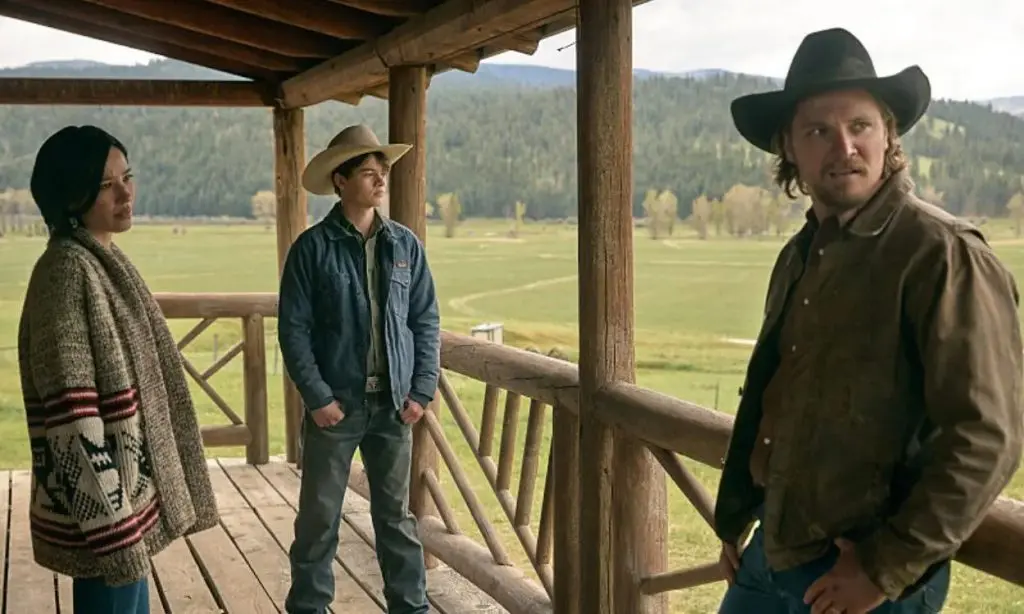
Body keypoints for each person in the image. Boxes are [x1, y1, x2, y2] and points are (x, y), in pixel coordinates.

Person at [714, 28, 1023, 614]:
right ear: (790, 148)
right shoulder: (801, 254)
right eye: (818, 131)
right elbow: (776, 396)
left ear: (888, 135)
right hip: (770, 554)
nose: (843, 147)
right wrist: (737, 513)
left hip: (865, 577)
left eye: (859, 126)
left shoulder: (941, 254)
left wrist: (885, 568)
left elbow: (987, 436)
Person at [17, 125, 220, 614]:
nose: (126, 192)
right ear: (72, 194)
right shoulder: (67, 273)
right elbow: (72, 421)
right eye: (108, 184)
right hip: (106, 525)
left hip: (121, 512)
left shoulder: (100, 259)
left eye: (127, 176)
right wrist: (116, 532)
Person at [279, 124, 440, 614]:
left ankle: (410, 608)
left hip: (393, 407)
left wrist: (422, 389)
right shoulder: (311, 248)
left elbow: (425, 319)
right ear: (340, 182)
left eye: (382, 172)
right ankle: (309, 608)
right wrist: (317, 398)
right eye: (368, 173)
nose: (379, 181)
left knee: (395, 518)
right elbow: (294, 330)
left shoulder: (405, 246)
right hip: (337, 406)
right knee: (318, 518)